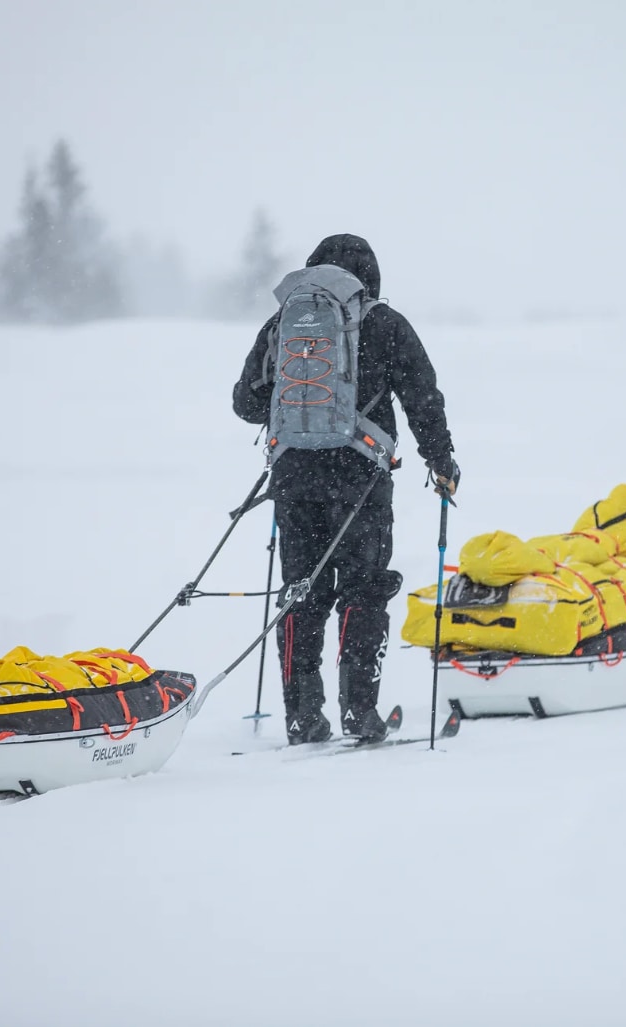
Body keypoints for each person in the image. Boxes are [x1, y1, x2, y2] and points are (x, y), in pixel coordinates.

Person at [233, 234, 459, 744]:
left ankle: (301, 716)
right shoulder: (385, 322)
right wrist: (440, 460)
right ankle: (359, 710)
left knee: (301, 592)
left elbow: (246, 403)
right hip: (360, 478)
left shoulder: (283, 323)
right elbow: (422, 396)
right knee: (364, 589)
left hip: (293, 478)